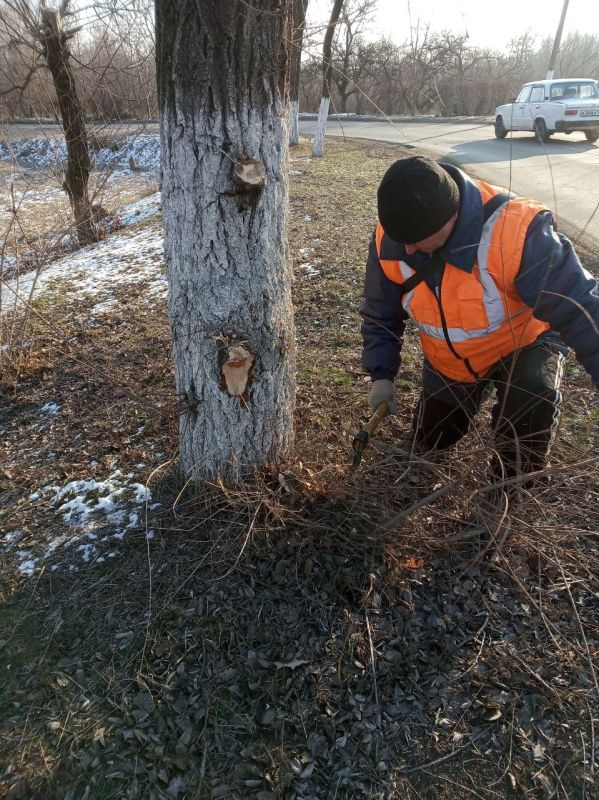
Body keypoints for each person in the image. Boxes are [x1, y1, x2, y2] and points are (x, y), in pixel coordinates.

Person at [360, 155, 599, 499]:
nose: (408, 249)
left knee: (530, 406)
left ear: (451, 216)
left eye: (417, 239)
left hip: (522, 345)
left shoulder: (516, 231)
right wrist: (381, 374)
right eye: (403, 240)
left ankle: (510, 490)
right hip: (450, 363)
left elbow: (582, 308)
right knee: (429, 444)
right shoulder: (392, 239)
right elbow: (380, 312)